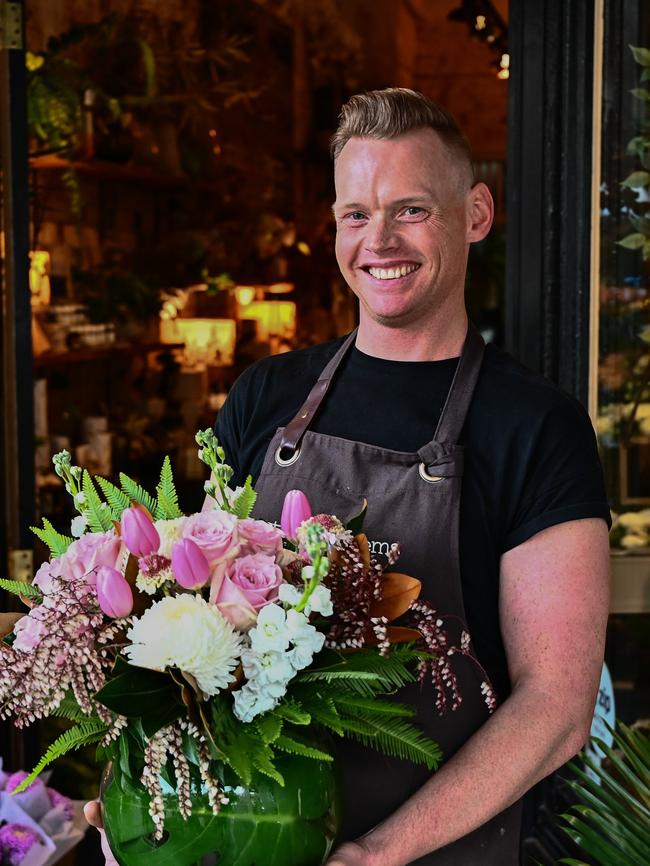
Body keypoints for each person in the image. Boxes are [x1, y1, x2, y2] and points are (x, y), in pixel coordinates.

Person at [85, 88, 611, 865]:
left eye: (412, 210)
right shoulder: (268, 396)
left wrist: (380, 853)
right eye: (356, 214)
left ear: (475, 214)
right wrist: (145, 790)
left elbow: (557, 708)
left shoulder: (536, 427)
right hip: (255, 845)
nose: (379, 239)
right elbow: (191, 627)